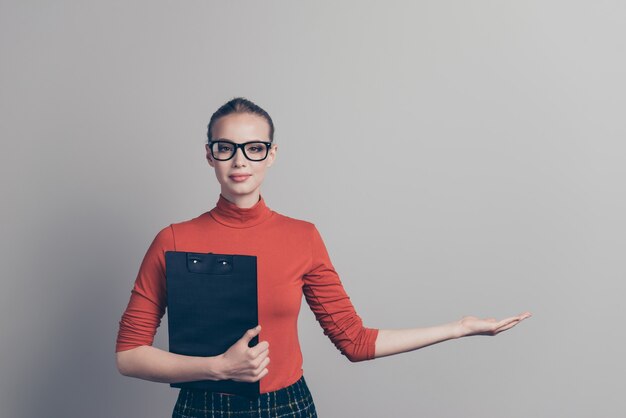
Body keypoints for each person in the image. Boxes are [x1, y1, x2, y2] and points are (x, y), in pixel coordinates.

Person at [115, 97, 532, 417]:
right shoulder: (173, 239)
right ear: (209, 154)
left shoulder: (302, 237)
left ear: (271, 154)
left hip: (286, 407)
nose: (240, 159)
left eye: (254, 147)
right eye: (226, 147)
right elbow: (129, 355)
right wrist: (218, 368)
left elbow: (355, 341)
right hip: (202, 407)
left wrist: (459, 328)